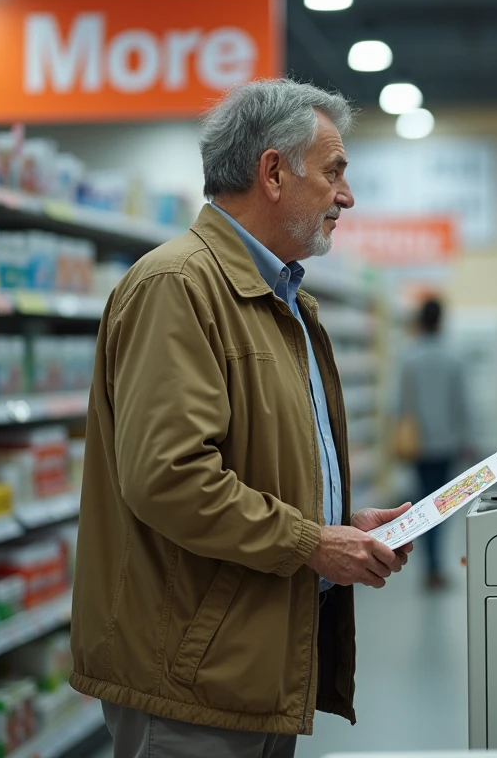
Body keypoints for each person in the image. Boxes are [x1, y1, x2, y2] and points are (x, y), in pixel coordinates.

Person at [69, 78, 414, 758]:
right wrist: (311, 543)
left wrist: (336, 523)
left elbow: (265, 457)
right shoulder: (178, 286)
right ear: (274, 172)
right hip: (189, 673)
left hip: (252, 655)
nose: (347, 196)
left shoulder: (281, 299)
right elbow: (171, 478)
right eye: (335, 172)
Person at [395, 296, 472, 590]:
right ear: (441, 320)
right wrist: (467, 438)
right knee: (441, 505)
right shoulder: (454, 357)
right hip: (447, 443)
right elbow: (462, 403)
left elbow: (400, 403)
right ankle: (436, 566)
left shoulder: (408, 356)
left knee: (421, 502)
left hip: (418, 443)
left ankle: (429, 567)